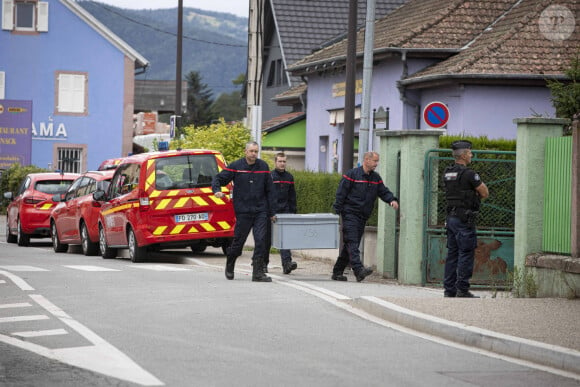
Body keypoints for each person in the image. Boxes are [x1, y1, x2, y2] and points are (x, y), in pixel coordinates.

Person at [212, 141, 275, 282]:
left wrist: (272, 212)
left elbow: (270, 191)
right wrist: (217, 190)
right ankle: (230, 263)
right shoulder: (236, 166)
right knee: (238, 242)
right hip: (243, 211)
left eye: (256, 151)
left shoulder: (263, 167)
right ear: (245, 152)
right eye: (251, 151)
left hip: (261, 211)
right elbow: (218, 179)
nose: (254, 154)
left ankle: (257, 273)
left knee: (261, 241)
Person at [332, 151, 399, 282]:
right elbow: (341, 193)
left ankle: (337, 271)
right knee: (352, 242)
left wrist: (392, 199)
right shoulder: (352, 175)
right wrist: (337, 212)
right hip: (349, 214)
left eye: (377, 161)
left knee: (350, 245)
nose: (376, 164)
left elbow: (383, 191)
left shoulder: (376, 178)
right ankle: (358, 270)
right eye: (375, 161)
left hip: (363, 216)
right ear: (366, 160)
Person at [443, 140, 489, 298]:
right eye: (469, 152)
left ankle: (449, 290)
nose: (471, 155)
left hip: (451, 218)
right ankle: (462, 289)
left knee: (452, 254)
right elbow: (484, 192)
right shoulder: (469, 173)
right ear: (463, 155)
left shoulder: (448, 173)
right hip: (464, 219)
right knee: (466, 253)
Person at [265, 152, 298, 275]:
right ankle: (263, 265)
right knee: (266, 240)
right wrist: (269, 212)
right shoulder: (270, 177)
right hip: (271, 212)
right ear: (275, 162)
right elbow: (267, 195)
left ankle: (287, 264)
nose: (282, 163)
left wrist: (293, 213)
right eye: (280, 161)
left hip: (285, 212)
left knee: (285, 239)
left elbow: (292, 196)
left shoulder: (289, 177)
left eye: (284, 161)